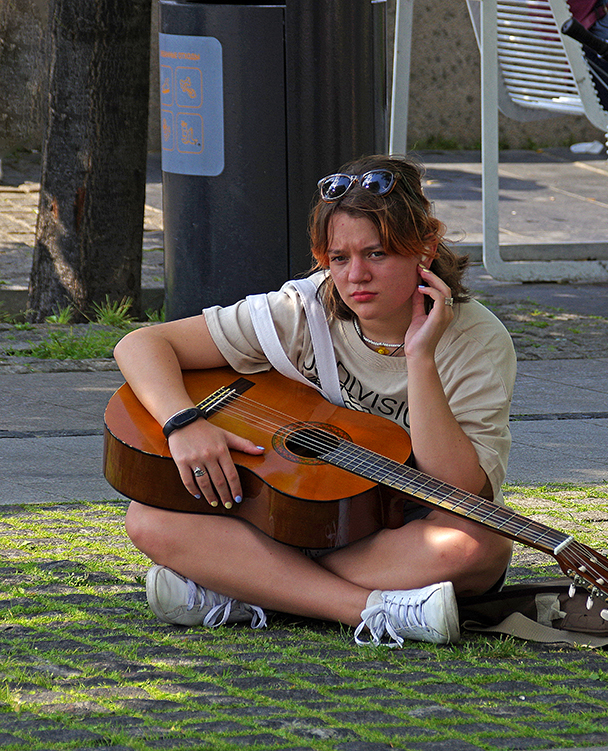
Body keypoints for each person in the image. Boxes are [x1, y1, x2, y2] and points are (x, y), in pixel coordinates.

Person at [113, 154, 517, 647]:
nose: (356, 276)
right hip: (290, 518)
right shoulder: (302, 312)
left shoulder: (476, 341)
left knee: (478, 547)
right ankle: (370, 611)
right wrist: (184, 422)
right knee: (148, 519)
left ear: (426, 248)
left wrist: (420, 358)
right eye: (339, 258)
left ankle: (249, 584)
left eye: (378, 254)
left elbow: (459, 489)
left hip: (392, 530)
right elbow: (141, 344)